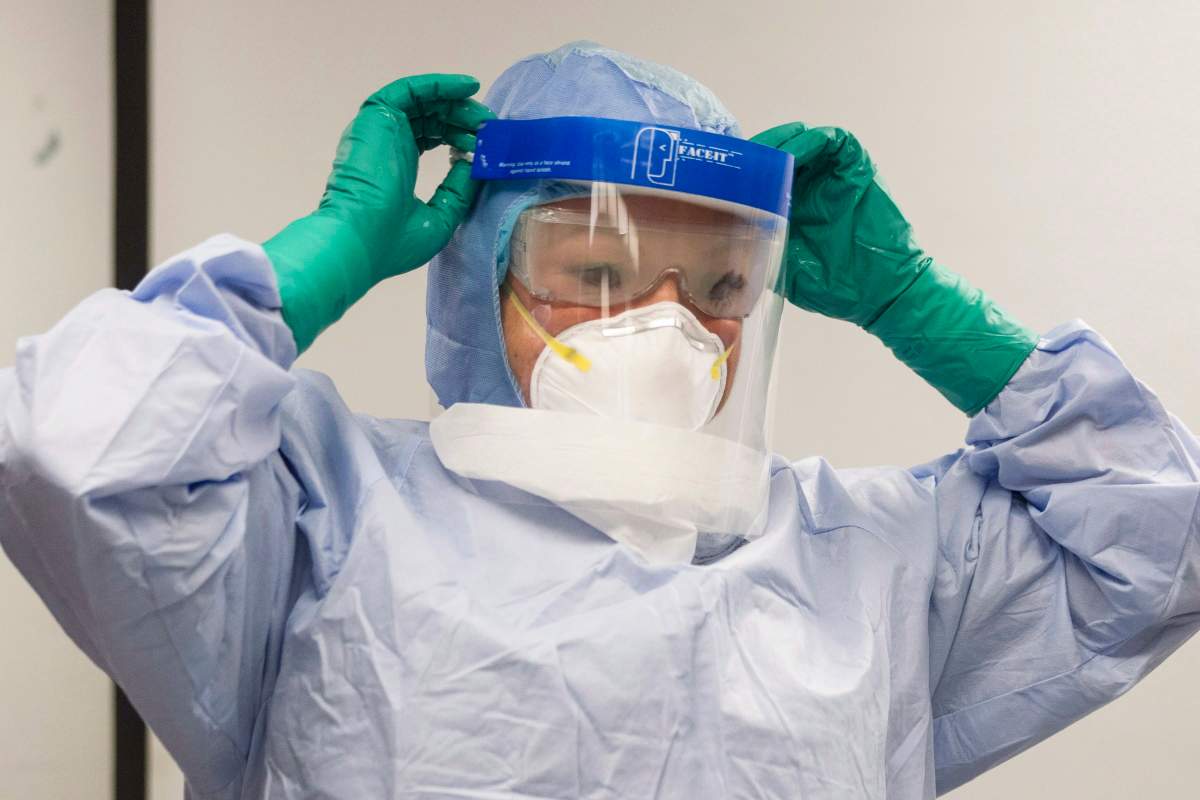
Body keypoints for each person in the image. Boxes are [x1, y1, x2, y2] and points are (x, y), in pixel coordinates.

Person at [2, 40, 1198, 799]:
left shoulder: (864, 554)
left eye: (722, 286)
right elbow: (79, 447)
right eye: (600, 273)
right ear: (476, 277)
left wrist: (920, 307)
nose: (670, 329)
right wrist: (325, 254)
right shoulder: (325, 514)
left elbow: (1158, 538)